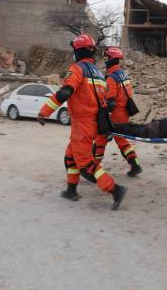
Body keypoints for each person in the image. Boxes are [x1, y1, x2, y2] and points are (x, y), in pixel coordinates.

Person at [37, 34, 127, 210]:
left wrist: (44, 112)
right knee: (70, 157)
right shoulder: (100, 74)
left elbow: (65, 93)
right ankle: (71, 190)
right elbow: (103, 101)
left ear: (78, 51)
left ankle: (115, 189)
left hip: (83, 124)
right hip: (93, 123)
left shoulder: (77, 69)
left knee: (85, 165)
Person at [92, 47, 142, 176]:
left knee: (100, 139)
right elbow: (128, 94)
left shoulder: (111, 78)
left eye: (107, 58)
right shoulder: (124, 75)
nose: (105, 60)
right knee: (122, 140)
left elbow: (111, 102)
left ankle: (93, 166)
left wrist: (103, 114)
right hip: (124, 113)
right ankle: (134, 164)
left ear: (111, 59)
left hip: (115, 114)